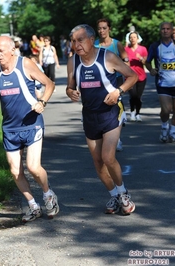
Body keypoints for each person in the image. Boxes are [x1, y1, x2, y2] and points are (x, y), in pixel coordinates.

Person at [0, 36, 59, 222]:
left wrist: (42, 102)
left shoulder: (26, 64)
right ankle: (32, 205)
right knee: (15, 171)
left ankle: (48, 195)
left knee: (33, 166)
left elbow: (50, 84)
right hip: (10, 128)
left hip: (32, 123)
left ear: (12, 50)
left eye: (1, 51)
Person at [66, 24, 138, 215]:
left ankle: (123, 193)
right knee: (98, 162)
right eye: (73, 41)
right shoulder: (73, 61)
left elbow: (133, 76)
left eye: (80, 40)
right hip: (89, 115)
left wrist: (118, 91)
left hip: (111, 112)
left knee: (108, 156)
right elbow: (70, 86)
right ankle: (113, 195)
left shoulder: (107, 57)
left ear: (91, 39)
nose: (77, 45)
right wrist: (70, 92)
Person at [145, 22, 175, 143]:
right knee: (166, 110)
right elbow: (147, 61)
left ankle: (173, 132)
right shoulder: (155, 46)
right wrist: (151, 70)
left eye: (168, 29)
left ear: (171, 31)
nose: (165, 31)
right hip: (163, 83)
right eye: (163, 29)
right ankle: (164, 128)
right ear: (160, 31)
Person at [95, 18, 129, 151]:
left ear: (109, 29)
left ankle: (117, 139)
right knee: (103, 108)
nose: (101, 31)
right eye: (99, 28)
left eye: (104, 28)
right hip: (99, 82)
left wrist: (125, 72)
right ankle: (105, 136)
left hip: (116, 80)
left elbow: (126, 60)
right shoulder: (95, 44)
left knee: (114, 107)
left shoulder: (116, 44)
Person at [124, 31, 148, 122]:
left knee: (138, 96)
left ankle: (138, 113)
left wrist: (141, 58)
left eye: (134, 37)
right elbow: (123, 61)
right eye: (131, 37)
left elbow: (146, 62)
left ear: (138, 39)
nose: (132, 39)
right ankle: (132, 112)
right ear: (129, 39)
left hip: (141, 76)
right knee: (133, 95)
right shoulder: (125, 49)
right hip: (130, 77)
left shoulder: (143, 49)